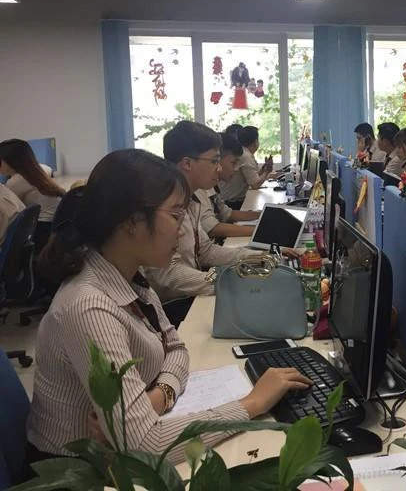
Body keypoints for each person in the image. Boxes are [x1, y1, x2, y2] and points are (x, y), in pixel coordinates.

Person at [27, 149, 311, 467]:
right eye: (175, 215)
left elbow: (175, 349)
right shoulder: (89, 307)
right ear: (132, 221)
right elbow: (145, 444)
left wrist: (158, 397)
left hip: (119, 452)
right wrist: (252, 403)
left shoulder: (128, 276)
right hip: (82, 472)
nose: (182, 228)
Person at [144, 121, 260, 327]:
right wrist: (224, 280)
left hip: (192, 293)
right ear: (187, 163)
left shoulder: (191, 199)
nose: (219, 168)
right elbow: (167, 275)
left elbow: (205, 251)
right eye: (214, 161)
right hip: (170, 307)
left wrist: (257, 258)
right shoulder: (163, 205)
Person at [0, 139, 65, 252]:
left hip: (41, 232)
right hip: (57, 227)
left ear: (11, 161)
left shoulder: (15, 182)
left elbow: (10, 212)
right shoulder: (42, 169)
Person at [199, 133, 262, 241]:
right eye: (233, 163)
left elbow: (227, 213)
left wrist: (260, 215)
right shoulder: (200, 189)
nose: (236, 168)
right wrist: (261, 231)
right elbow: (213, 228)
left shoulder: (211, 187)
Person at [217, 125, 271, 210]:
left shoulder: (243, 153)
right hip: (232, 203)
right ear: (255, 142)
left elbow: (249, 177)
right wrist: (267, 171)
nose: (234, 168)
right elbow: (255, 184)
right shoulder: (246, 156)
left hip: (228, 201)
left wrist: (263, 170)